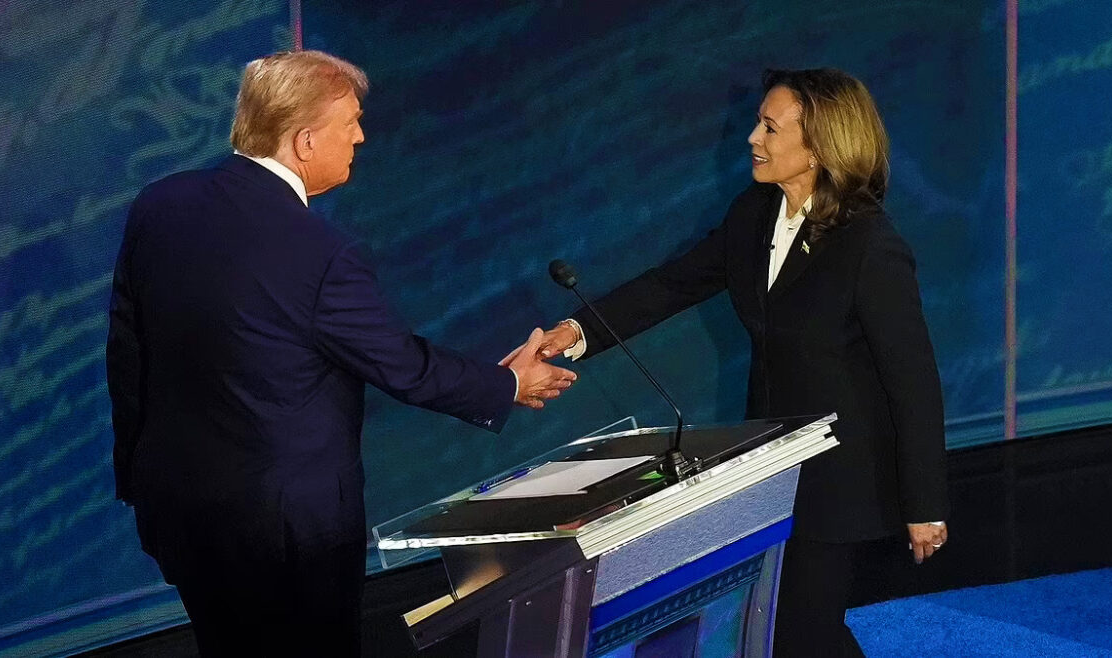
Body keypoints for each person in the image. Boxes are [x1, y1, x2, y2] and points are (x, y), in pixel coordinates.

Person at [105, 50, 576, 656]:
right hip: (287, 538)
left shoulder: (161, 204)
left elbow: (128, 354)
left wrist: (139, 479)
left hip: (182, 511)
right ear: (305, 141)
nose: (361, 136)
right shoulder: (320, 252)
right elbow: (401, 365)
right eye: (350, 121)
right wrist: (507, 384)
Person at [533, 68, 948, 656]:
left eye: (770, 128)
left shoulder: (868, 245)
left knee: (803, 632)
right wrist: (577, 331)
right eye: (758, 122)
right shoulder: (753, 214)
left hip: (840, 478)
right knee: (787, 632)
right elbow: (672, 284)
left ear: (818, 146)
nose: (753, 137)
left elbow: (913, 380)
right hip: (770, 468)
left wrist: (925, 503)